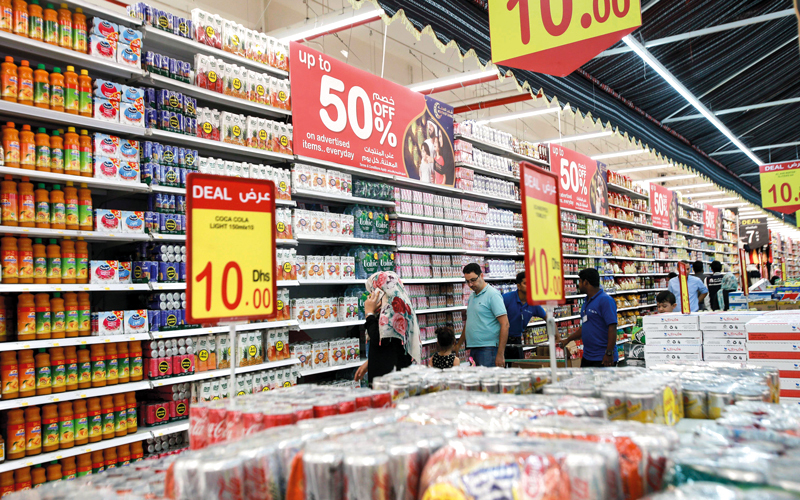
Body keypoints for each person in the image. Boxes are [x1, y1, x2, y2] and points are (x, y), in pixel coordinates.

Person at [353, 271, 421, 385]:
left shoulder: (392, 311)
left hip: (389, 381)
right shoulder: (400, 308)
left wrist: (369, 313)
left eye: (372, 291)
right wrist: (370, 362)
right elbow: (389, 346)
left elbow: (379, 339)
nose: (370, 296)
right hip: (396, 373)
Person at [559, 268, 618, 367]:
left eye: (580, 281)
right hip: (588, 356)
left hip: (602, 358)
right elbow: (586, 327)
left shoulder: (605, 300)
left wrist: (609, 353)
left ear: (586, 282)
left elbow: (612, 327)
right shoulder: (586, 301)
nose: (578, 285)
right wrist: (568, 340)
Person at [455, 263, 509, 367]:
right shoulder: (472, 296)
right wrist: (459, 344)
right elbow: (470, 322)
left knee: (487, 377)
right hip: (474, 348)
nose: (470, 284)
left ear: (481, 275)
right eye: (467, 281)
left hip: (489, 349)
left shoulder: (492, 295)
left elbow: (505, 324)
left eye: (473, 280)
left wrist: (500, 354)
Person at [502, 272, 546, 357]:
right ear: (518, 286)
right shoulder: (506, 299)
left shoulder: (533, 303)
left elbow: (548, 319)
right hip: (501, 340)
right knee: (500, 364)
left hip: (517, 340)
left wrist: (557, 337)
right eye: (525, 283)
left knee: (518, 364)